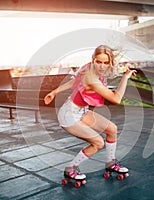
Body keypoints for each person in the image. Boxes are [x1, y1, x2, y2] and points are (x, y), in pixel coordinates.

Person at [44, 45, 136, 181]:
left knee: (112, 129)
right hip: (69, 115)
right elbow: (116, 99)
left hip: (82, 111)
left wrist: (54, 92)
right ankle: (70, 168)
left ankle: (111, 163)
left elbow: (74, 82)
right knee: (98, 143)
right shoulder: (92, 79)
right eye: (99, 62)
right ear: (93, 60)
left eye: (105, 63)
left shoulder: (87, 67)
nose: (102, 66)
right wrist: (125, 78)